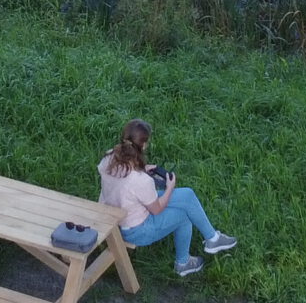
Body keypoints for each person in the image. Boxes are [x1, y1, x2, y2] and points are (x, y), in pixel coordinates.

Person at [96, 118, 236, 277]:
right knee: (184, 215)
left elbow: (123, 179)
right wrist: (169, 188)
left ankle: (213, 238)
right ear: (143, 145)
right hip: (135, 230)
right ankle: (183, 263)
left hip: (115, 214)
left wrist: (142, 168)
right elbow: (156, 209)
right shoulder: (140, 181)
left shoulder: (109, 157)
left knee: (188, 195)